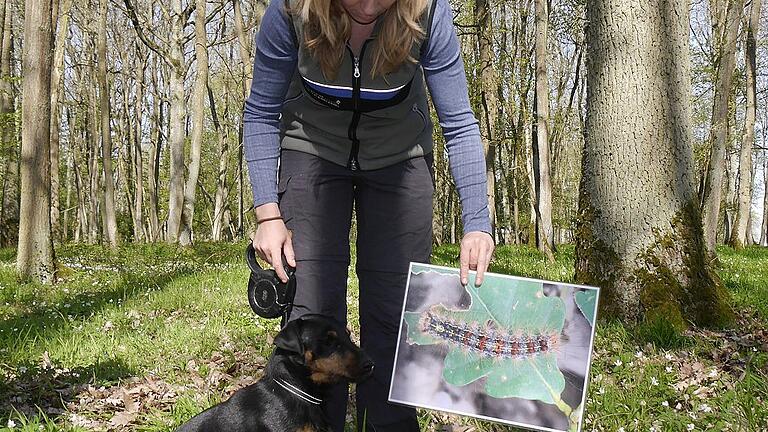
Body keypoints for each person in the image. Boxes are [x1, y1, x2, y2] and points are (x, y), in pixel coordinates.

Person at [244, 0, 494, 429]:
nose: (367, 5)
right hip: (311, 148)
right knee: (312, 311)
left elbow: (459, 121)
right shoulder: (289, 12)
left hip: (400, 155)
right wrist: (269, 215)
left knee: (397, 314)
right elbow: (261, 112)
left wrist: (477, 222)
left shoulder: (429, 13)